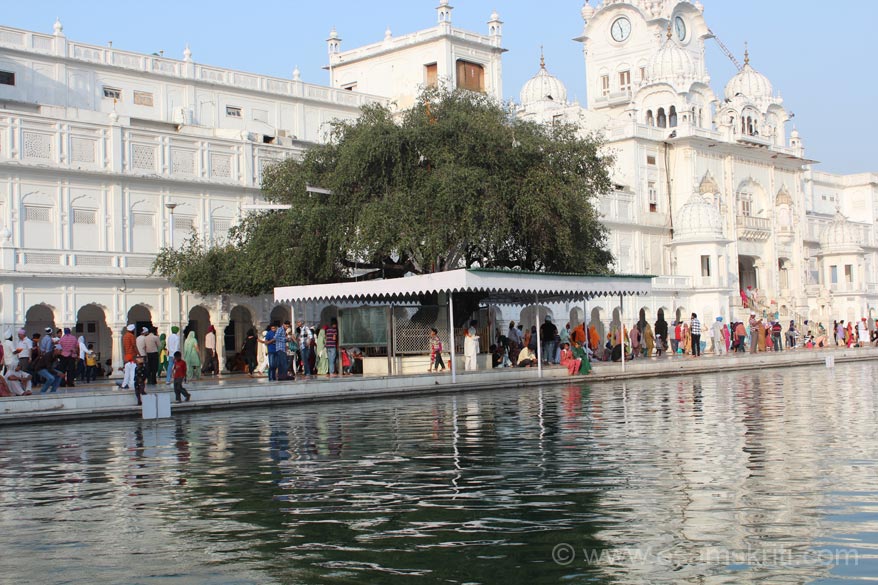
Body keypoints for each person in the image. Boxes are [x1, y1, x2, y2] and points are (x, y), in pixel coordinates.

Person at [120, 324, 137, 390]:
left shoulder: (125, 336)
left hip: (127, 355)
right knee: (132, 371)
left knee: (127, 372)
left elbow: (124, 347)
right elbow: (134, 346)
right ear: (132, 330)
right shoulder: (131, 336)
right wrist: (138, 354)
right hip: (132, 355)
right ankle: (131, 385)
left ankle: (124, 384)